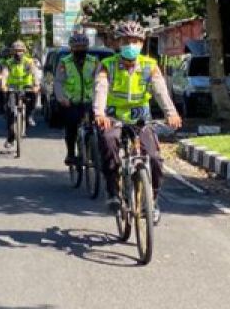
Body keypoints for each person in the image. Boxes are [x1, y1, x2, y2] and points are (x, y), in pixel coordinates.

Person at [92, 20, 182, 210]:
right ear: (118, 43)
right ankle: (113, 193)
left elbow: (160, 92)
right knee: (108, 144)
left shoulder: (151, 66)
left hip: (141, 120)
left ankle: (152, 202)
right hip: (113, 118)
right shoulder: (107, 65)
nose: (130, 45)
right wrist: (99, 113)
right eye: (126, 41)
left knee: (155, 159)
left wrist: (171, 113)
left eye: (135, 41)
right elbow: (101, 89)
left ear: (142, 43)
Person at [54, 31, 100, 167]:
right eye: (77, 47)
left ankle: (94, 152)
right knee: (71, 127)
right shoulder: (64, 62)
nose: (80, 50)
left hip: (91, 102)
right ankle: (70, 153)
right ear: (71, 48)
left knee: (97, 127)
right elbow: (58, 82)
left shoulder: (94, 61)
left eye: (83, 47)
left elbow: (101, 81)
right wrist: (62, 98)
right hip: (71, 102)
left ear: (87, 47)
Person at [0, 40, 40, 149]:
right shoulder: (8, 63)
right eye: (16, 51)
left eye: (20, 51)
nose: (18, 53)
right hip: (12, 88)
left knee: (34, 96)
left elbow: (35, 74)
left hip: (27, 87)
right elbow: (5, 74)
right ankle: (10, 138)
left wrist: (36, 85)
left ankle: (29, 116)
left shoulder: (29, 62)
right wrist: (3, 85)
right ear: (12, 52)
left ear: (24, 51)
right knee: (10, 111)